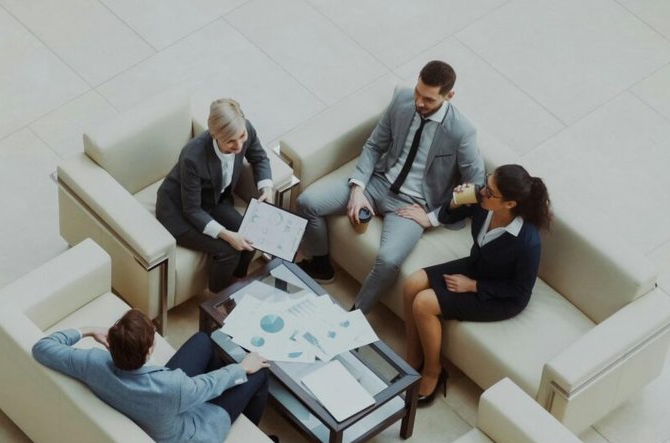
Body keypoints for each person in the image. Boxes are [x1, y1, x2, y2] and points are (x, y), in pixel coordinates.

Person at [296, 61, 486, 312]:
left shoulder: (462, 132)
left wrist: (433, 217)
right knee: (307, 202)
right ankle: (321, 265)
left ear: (448, 96)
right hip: (378, 182)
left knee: (388, 260)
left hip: (413, 206)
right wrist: (357, 189)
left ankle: (354, 317)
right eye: (418, 92)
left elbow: (477, 185)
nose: (419, 102)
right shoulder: (403, 100)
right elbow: (375, 145)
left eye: (428, 99)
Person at [32, 309, 273, 443]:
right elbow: (208, 385)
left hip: (156, 405)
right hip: (186, 437)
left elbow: (42, 347)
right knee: (259, 375)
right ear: (149, 350)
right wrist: (242, 367)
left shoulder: (92, 363)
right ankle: (246, 429)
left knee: (203, 341)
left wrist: (88, 330)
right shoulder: (173, 386)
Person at [399, 164, 552, 405]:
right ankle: (412, 359)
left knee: (423, 304)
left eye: (490, 192)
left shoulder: (527, 242)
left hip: (500, 296)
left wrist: (474, 286)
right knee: (412, 283)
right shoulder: (484, 204)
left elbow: (520, 290)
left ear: (510, 204)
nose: (483, 191)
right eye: (486, 183)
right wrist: (455, 202)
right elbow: (450, 216)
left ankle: (434, 372)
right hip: (477, 266)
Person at [155, 98, 275, 292]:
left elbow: (259, 157)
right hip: (179, 212)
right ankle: (220, 297)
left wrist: (266, 189)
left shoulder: (246, 129)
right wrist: (227, 235)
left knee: (249, 236)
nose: (238, 146)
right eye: (230, 142)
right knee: (229, 250)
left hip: (213, 201)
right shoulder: (192, 157)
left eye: (241, 137)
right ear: (215, 135)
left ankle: (238, 280)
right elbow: (192, 210)